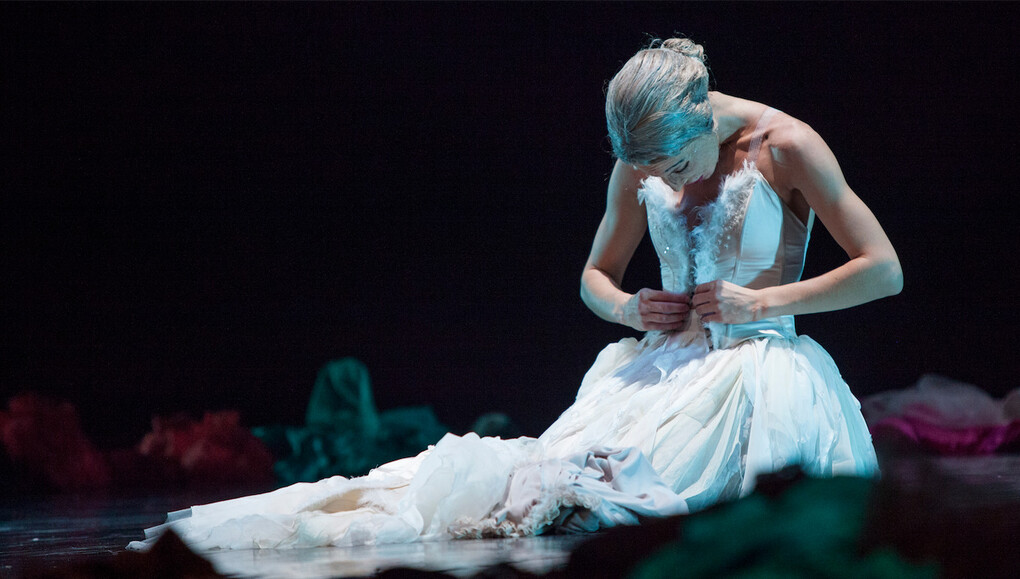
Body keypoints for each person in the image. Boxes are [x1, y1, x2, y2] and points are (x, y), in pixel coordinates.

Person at [128, 37, 900, 551]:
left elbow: (884, 268)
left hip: (760, 367)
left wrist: (764, 302)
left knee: (680, 505)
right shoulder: (640, 162)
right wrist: (630, 308)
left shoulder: (786, 146)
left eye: (676, 165)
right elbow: (594, 276)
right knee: (542, 488)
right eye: (653, 173)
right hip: (661, 369)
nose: (666, 183)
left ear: (702, 116)